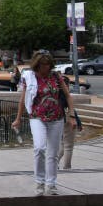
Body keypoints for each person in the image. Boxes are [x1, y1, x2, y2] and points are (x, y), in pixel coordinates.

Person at [12, 51, 75, 196]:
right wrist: (18, 118)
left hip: (56, 118)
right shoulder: (29, 77)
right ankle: (40, 182)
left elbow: (68, 96)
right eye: (42, 65)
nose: (45, 68)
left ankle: (51, 184)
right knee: (40, 148)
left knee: (53, 153)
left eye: (47, 65)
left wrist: (71, 115)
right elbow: (23, 100)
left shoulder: (56, 76)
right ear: (37, 65)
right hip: (37, 117)